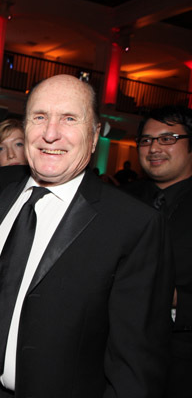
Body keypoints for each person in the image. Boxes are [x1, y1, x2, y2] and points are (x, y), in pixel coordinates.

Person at [0, 75, 173, 397]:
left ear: (94, 137)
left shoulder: (133, 225)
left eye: (69, 119)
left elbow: (135, 363)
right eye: (39, 117)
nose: (51, 134)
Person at [124, 105, 192, 398]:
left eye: (168, 139)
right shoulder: (120, 201)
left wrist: (175, 298)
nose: (154, 148)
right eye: (146, 140)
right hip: (118, 363)